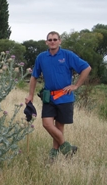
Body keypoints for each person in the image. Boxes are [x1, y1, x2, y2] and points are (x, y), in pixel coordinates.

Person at [25, 31, 91, 162]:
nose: (52, 42)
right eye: (50, 40)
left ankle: (53, 154)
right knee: (47, 124)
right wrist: (30, 94)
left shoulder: (67, 55)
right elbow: (34, 77)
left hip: (65, 97)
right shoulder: (41, 57)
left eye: (55, 39)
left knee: (59, 127)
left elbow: (86, 68)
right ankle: (67, 147)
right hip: (49, 97)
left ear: (60, 41)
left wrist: (76, 86)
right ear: (46, 42)